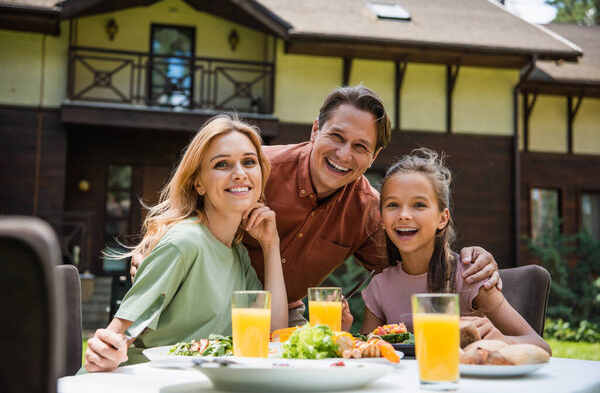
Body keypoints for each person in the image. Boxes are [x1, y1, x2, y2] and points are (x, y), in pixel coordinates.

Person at [132, 86, 501, 326]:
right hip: (209, 307)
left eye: (360, 147)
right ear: (314, 131)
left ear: (373, 156)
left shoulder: (371, 213)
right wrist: (160, 234)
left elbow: (417, 256)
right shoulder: (258, 169)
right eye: (336, 137)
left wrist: (474, 259)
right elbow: (195, 195)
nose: (344, 154)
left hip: (287, 315)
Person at [84, 115, 287, 372]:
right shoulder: (184, 242)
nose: (239, 174)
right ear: (198, 183)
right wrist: (104, 351)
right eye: (222, 164)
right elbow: (114, 341)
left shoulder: (238, 254)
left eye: (249, 162)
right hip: (141, 382)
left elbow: (274, 335)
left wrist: (271, 244)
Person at [343, 148, 550, 353]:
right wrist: (342, 334)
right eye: (393, 204)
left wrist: (502, 339)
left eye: (419, 205)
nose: (404, 214)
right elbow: (367, 350)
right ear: (381, 219)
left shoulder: (469, 277)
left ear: (442, 218)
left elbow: (541, 345)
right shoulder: (381, 286)